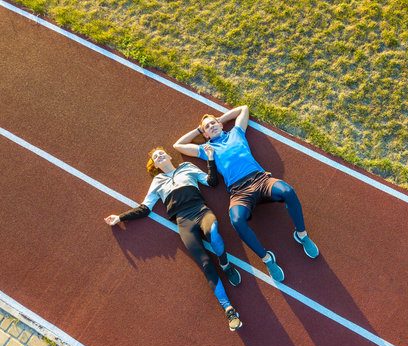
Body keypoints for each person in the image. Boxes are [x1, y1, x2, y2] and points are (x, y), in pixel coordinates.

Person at [173, 105, 319, 282]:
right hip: (239, 192)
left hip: (260, 180)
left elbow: (243, 109)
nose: (211, 126)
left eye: (213, 123)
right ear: (205, 135)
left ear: (220, 124)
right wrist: (198, 129)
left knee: (288, 191)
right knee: (236, 220)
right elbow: (178, 145)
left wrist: (221, 119)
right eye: (207, 127)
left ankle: (301, 235)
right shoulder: (207, 149)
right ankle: (267, 259)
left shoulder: (236, 133)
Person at [104, 146, 242, 331]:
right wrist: (120, 217)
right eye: (155, 157)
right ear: (155, 165)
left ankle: (225, 264)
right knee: (205, 264)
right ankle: (229, 310)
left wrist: (210, 158)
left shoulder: (187, 167)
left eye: (161, 153)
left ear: (169, 156)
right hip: (183, 222)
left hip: (201, 211)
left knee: (214, 231)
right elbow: (145, 208)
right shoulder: (157, 182)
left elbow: (211, 182)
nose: (159, 156)